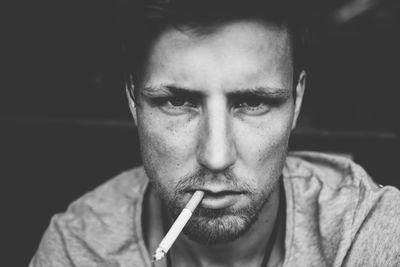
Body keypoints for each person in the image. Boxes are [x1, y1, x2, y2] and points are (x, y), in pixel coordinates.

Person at [30, 0, 400, 266]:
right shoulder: (78, 250)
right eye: (177, 102)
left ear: (297, 100)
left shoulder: (366, 237)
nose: (217, 156)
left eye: (253, 103)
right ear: (132, 100)